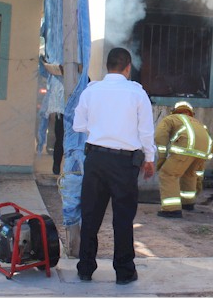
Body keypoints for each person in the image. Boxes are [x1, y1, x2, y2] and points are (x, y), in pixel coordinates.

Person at [72, 47, 156, 285]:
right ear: (128, 67)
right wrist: (149, 160)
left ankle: (85, 269)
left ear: (107, 67)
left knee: (90, 216)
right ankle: (124, 272)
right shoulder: (137, 93)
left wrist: (100, 127)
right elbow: (146, 131)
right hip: (124, 163)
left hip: (96, 160)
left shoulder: (92, 91)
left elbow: (79, 125)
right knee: (122, 219)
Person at [155, 101, 213, 218]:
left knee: (168, 174)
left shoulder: (171, 119)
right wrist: (199, 181)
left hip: (184, 150)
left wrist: (161, 159)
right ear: (191, 113)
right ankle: (188, 203)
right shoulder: (199, 124)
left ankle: (171, 210)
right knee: (189, 174)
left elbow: (160, 136)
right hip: (203, 153)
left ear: (175, 110)